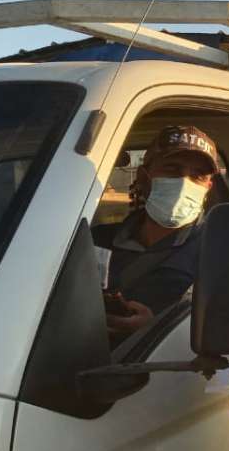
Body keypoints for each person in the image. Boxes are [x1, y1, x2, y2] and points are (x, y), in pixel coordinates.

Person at [92, 125, 218, 337]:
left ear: (207, 187)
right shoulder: (96, 240)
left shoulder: (219, 252)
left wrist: (153, 331)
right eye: (172, 170)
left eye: (197, 176)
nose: (183, 184)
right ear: (143, 177)